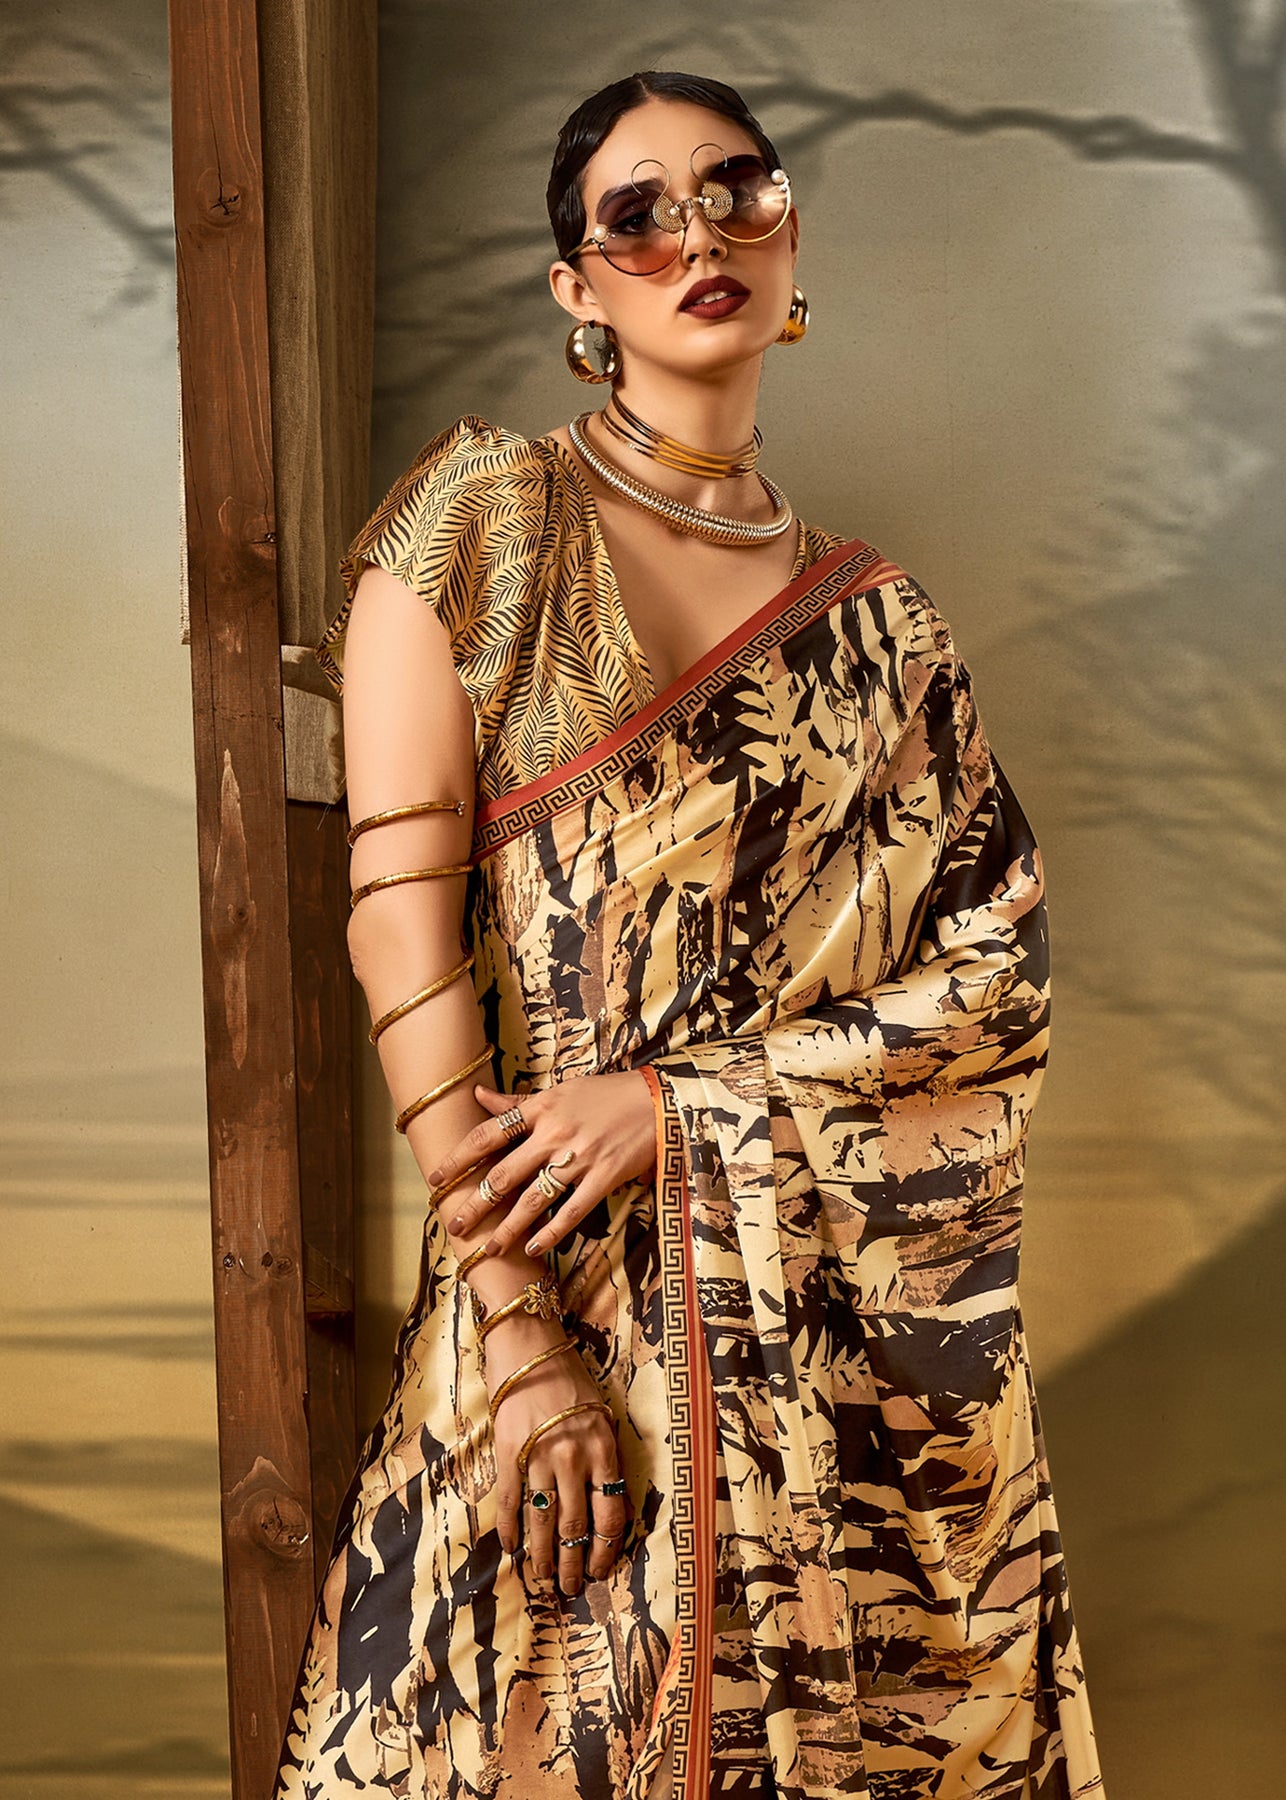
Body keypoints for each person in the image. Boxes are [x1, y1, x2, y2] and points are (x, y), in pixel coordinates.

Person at [273, 70, 1104, 1800]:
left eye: (738, 190)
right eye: (635, 214)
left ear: (791, 244)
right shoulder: (485, 526)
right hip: (557, 1293)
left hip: (849, 1360)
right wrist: (521, 1344)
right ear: (576, 288)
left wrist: (678, 1104)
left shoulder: (883, 628)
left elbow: (994, 984)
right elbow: (400, 947)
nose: (695, 234)